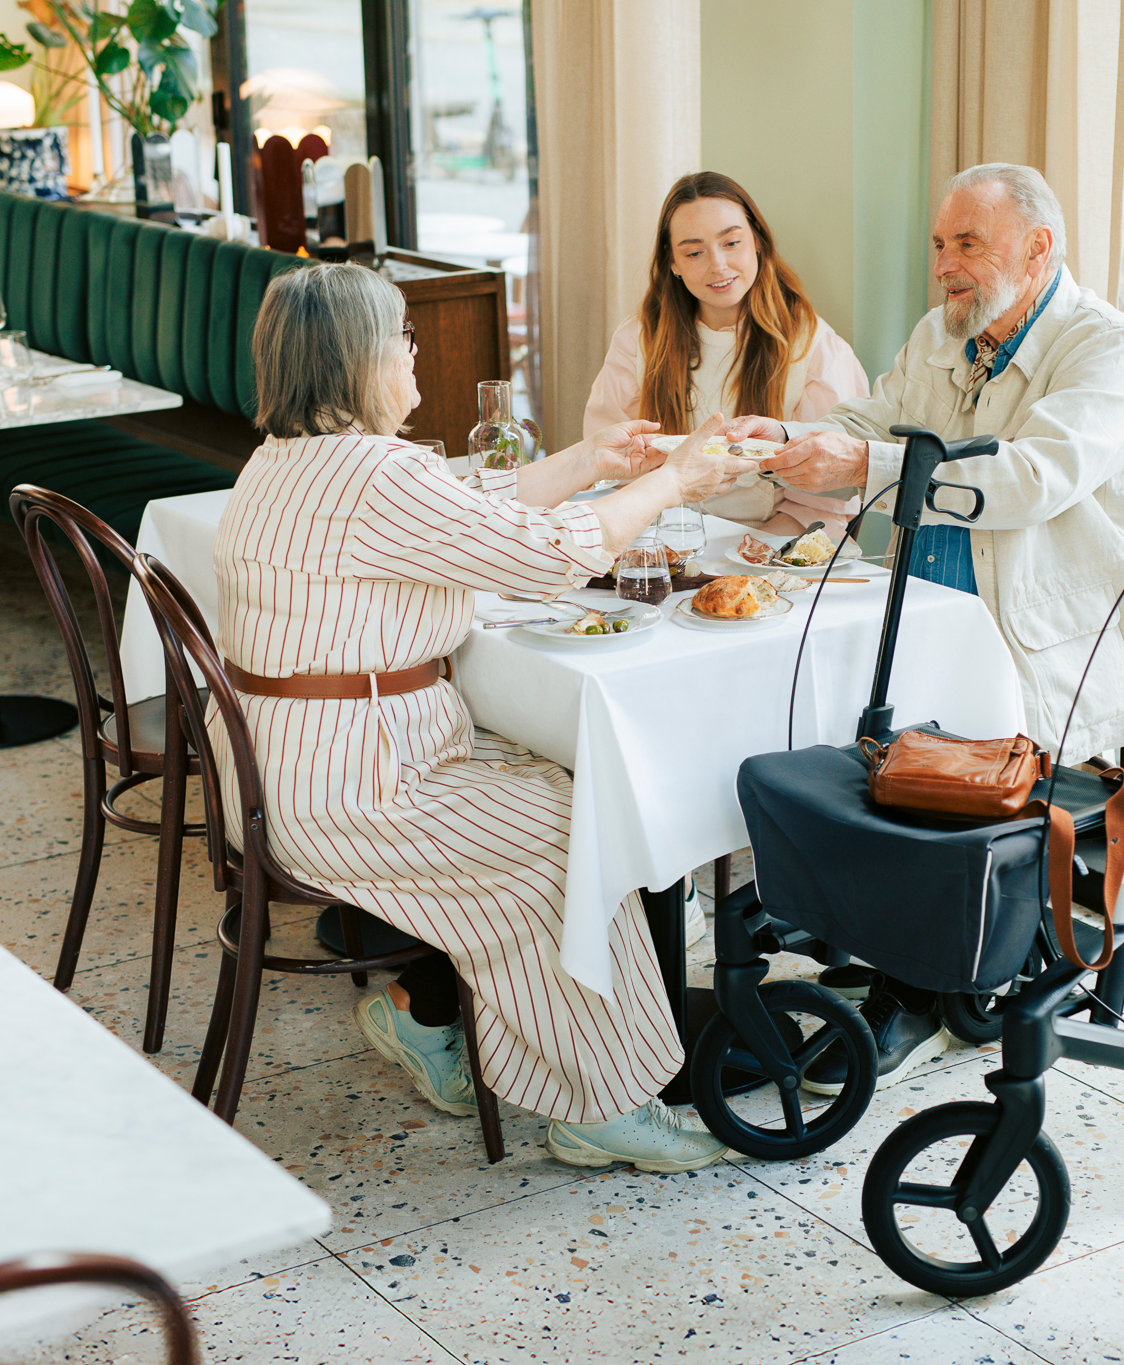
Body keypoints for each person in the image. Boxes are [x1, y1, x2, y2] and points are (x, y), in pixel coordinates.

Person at [215, 263, 758, 1172]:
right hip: (357, 791)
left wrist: (591, 463)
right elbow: (542, 556)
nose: (413, 351)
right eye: (402, 337)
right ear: (356, 359)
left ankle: (437, 1017)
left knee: (558, 791)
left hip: (288, 774)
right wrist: (674, 478)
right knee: (580, 828)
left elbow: (467, 516)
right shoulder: (371, 473)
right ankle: (604, 1104)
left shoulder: (288, 462)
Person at [732, 163, 1124, 1095]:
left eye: (969, 243)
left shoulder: (1103, 346)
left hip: (1045, 643)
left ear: (1039, 248)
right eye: (940, 244)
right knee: (836, 728)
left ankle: (918, 986)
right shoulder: (944, 335)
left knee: (921, 767)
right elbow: (871, 421)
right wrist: (775, 441)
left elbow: (1030, 478)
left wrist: (866, 461)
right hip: (930, 618)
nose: (945, 266)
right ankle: (892, 937)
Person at [583, 170, 868, 536]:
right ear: (673, 264)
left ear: (757, 242)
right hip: (658, 541)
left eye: (731, 243)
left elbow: (827, 501)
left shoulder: (813, 349)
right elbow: (611, 465)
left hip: (764, 549)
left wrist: (743, 561)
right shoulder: (639, 339)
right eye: (695, 252)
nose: (717, 265)